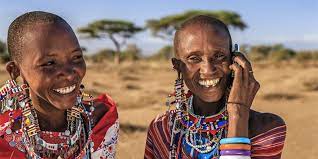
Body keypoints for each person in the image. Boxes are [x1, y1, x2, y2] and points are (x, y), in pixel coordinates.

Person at [144, 15, 286, 159]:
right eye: (194, 58)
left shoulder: (267, 129)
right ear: (178, 66)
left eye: (219, 56)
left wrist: (238, 113)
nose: (208, 69)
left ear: (234, 59)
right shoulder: (162, 128)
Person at [0, 11, 118, 159]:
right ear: (16, 71)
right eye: (49, 63)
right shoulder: (5, 134)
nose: (69, 74)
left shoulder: (99, 120)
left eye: (76, 57)